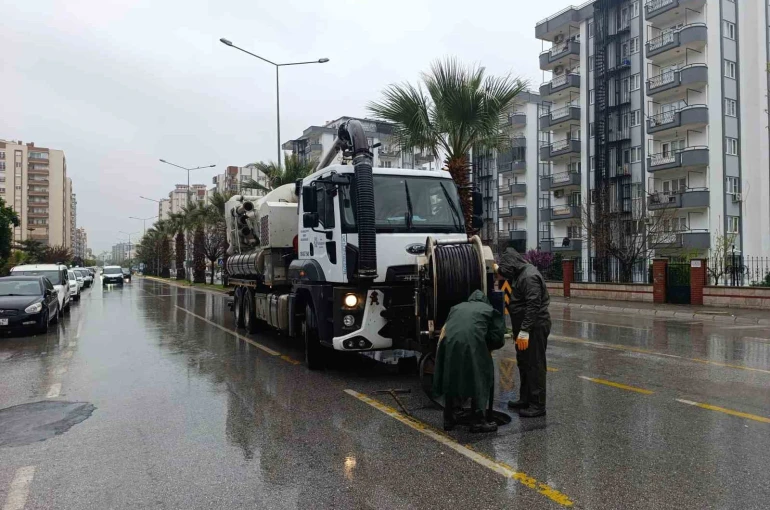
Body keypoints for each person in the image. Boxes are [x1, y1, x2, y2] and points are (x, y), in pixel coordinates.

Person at [432, 289, 506, 433]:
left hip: (449, 346)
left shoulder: (456, 308)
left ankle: (449, 418)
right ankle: (478, 422)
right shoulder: (489, 310)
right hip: (472, 345)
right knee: (480, 378)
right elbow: (498, 338)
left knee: (452, 377)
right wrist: (487, 347)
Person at [496, 248, 551, 418]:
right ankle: (526, 398)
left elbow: (533, 306)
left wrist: (525, 330)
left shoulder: (529, 277)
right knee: (524, 362)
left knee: (535, 365)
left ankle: (537, 405)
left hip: (534, 328)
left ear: (513, 265)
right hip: (525, 329)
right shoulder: (520, 274)